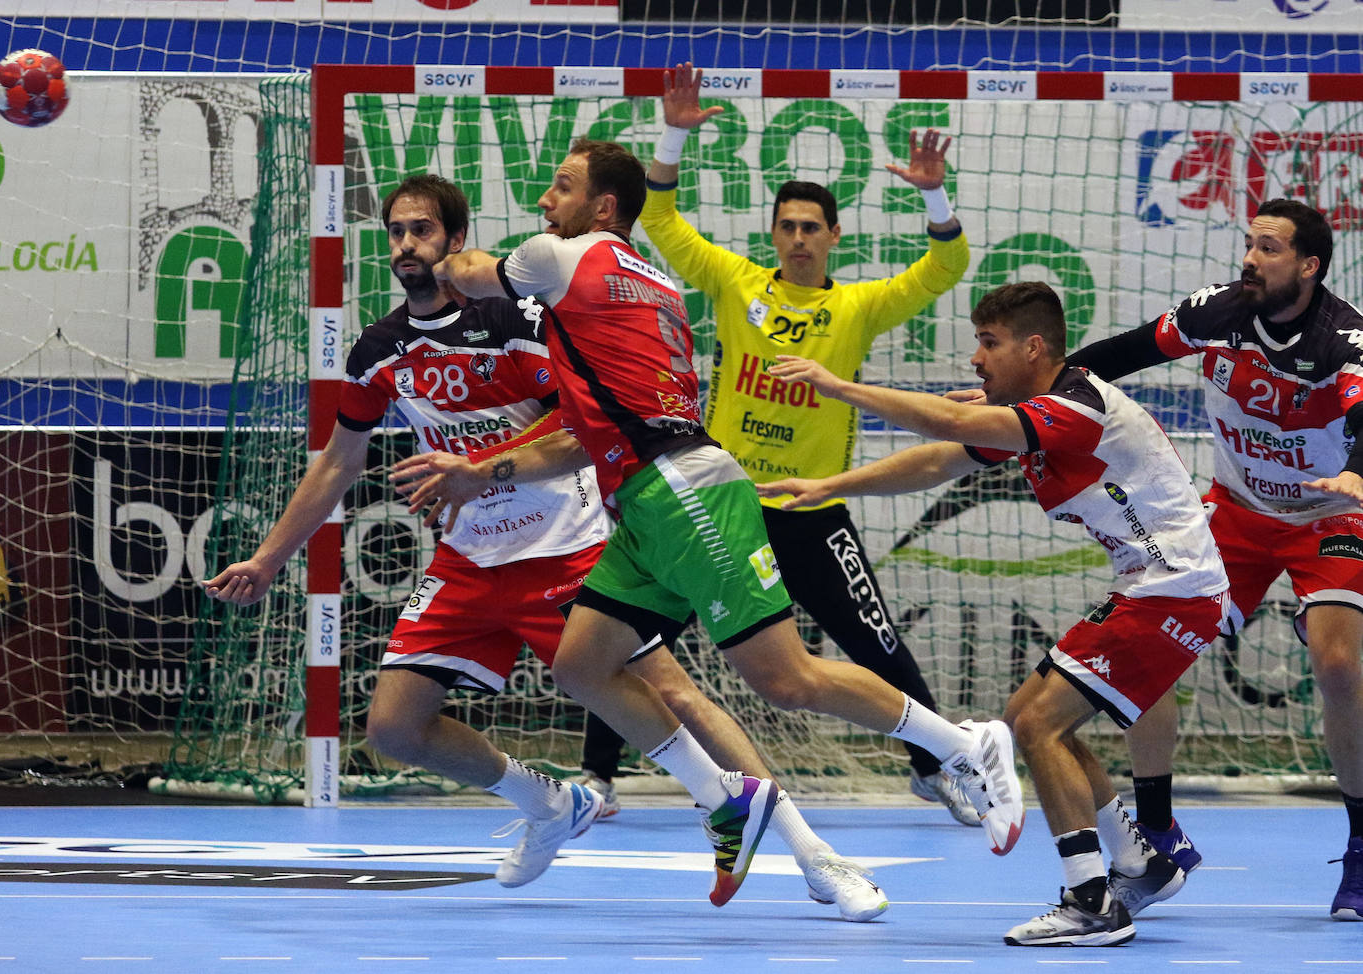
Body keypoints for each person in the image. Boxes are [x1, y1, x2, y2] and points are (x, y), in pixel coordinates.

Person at [204, 174, 889, 921]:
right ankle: (550, 803)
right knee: (395, 728)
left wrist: (482, 467)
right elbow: (339, 459)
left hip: (567, 545)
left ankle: (817, 858)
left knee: (675, 693)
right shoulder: (380, 350)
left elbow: (579, 428)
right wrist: (270, 558)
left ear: (454, 241)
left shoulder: (517, 319)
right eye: (396, 232)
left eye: (423, 231)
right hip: (469, 559)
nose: (406, 246)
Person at [413, 135, 1026, 905]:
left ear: (604, 208)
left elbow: (470, 275)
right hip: (648, 501)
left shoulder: (564, 257)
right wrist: (481, 472)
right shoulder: (655, 283)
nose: (545, 202)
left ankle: (962, 744)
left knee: (787, 678)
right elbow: (584, 437)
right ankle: (725, 799)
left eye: (561, 188)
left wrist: (436, 249)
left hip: (685, 493)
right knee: (580, 664)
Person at [760, 281, 1230, 946]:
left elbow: (949, 425)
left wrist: (841, 388)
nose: (976, 361)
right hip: (1150, 587)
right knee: (1022, 723)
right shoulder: (1037, 410)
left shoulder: (1075, 409)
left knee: (1038, 726)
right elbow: (937, 460)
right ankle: (1139, 863)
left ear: (1034, 347)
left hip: (1173, 592)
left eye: (989, 343)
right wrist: (830, 487)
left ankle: (1091, 901)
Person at [612, 61, 978, 827]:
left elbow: (948, 265)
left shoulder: (859, 307)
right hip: (725, 504)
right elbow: (663, 222)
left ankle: (936, 764)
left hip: (813, 509)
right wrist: (674, 133)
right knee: (634, 631)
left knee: (875, 642)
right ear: (773, 234)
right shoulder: (734, 281)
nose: (801, 237)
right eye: (789, 226)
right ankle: (597, 774)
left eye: (814, 227)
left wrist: (932, 192)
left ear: (834, 236)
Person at [1067, 198, 1363, 922]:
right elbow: (1117, 356)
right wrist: (1035, 393)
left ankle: (1361, 848)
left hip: (1330, 510)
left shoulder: (1344, 339)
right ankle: (1160, 827)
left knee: (1338, 663)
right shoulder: (1217, 312)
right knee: (1149, 647)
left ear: (1309, 265)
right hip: (1233, 512)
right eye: (1250, 245)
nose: (1251, 260)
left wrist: (1357, 470)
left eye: (1268, 249)